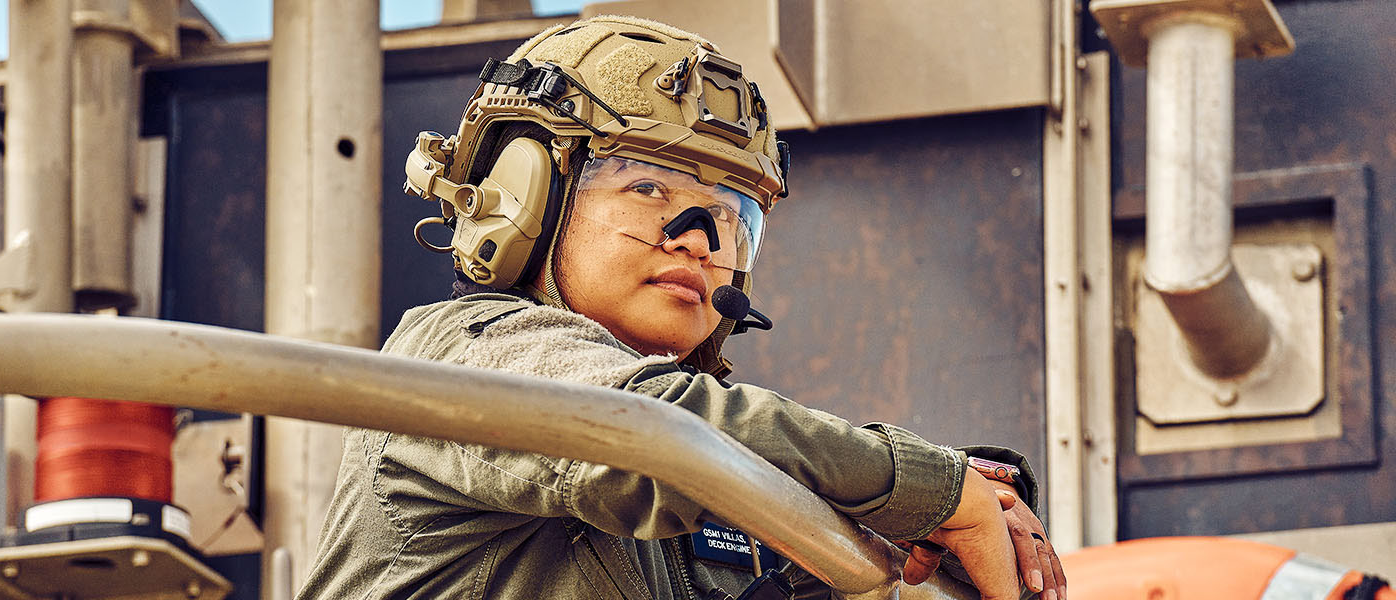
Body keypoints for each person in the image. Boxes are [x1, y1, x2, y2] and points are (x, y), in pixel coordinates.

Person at [299, 15, 1065, 600]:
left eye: (731, 215)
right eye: (648, 188)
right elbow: (644, 431)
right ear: (523, 193)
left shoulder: (702, 488)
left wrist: (897, 541)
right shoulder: (460, 356)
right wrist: (925, 487)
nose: (700, 239)